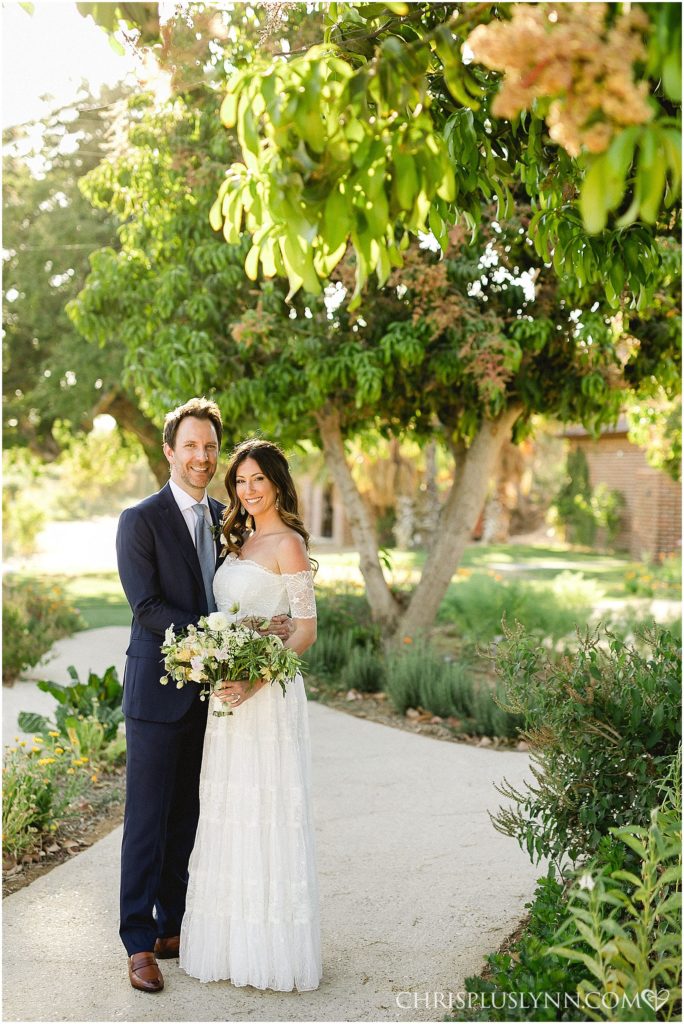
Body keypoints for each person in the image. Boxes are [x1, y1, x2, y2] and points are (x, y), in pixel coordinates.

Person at [116, 399, 291, 993]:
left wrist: (254, 633)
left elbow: (242, 594)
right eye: (191, 445)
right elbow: (148, 608)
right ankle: (138, 942)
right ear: (169, 450)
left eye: (211, 447)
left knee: (190, 816)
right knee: (147, 819)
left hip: (215, 700)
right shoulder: (139, 521)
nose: (202, 456)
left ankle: (172, 927)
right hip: (158, 692)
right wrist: (222, 635)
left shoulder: (228, 520)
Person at [179, 438, 322, 992]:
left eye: (258, 478)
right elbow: (234, 615)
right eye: (240, 481)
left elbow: (305, 629)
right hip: (228, 699)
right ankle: (230, 944)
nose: (248, 489)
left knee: (267, 810)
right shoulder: (234, 540)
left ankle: (272, 951)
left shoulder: (288, 544)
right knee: (228, 809)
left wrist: (255, 679)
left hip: (267, 696)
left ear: (277, 483)